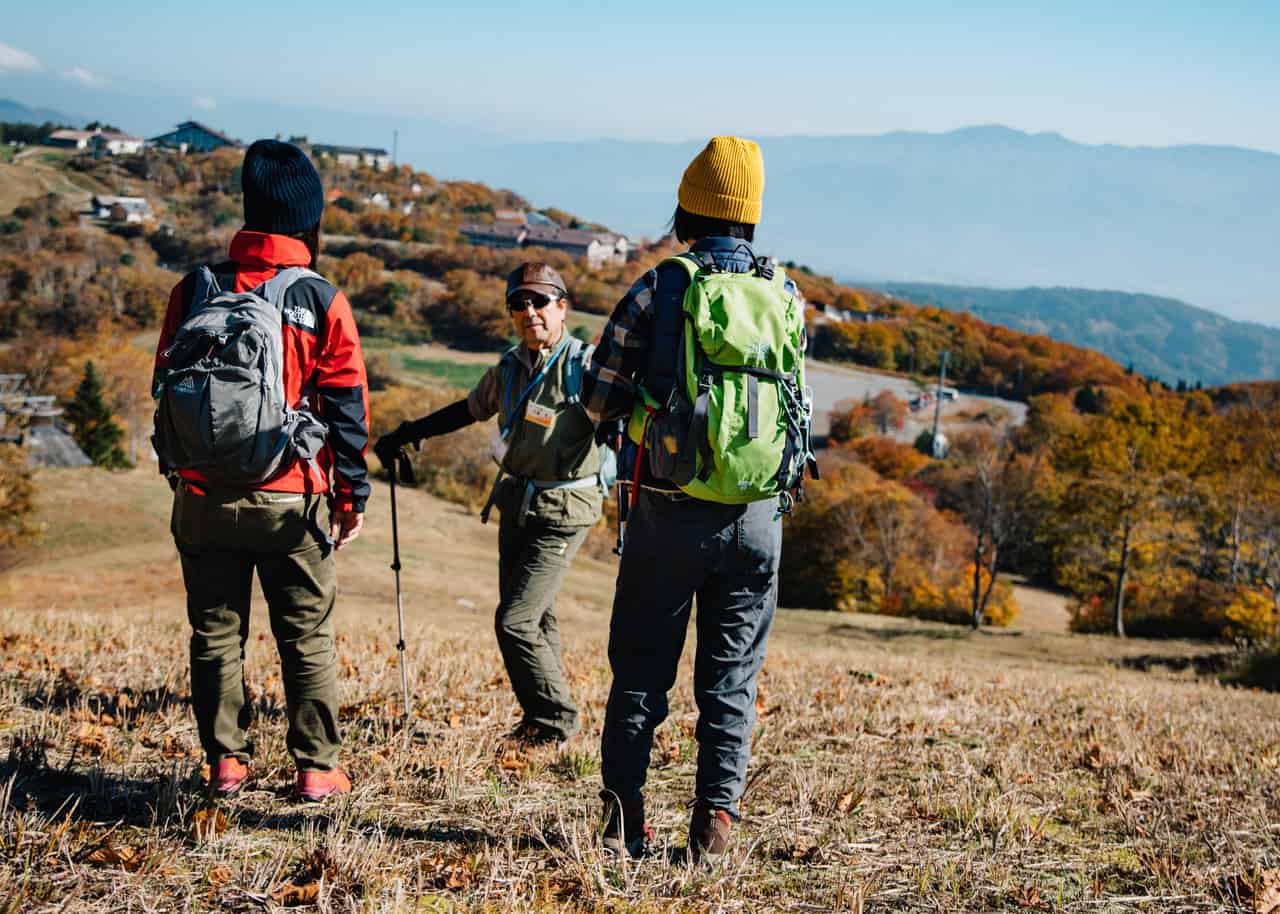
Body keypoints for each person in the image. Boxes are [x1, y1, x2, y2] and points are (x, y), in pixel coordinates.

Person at [580, 136, 813, 860]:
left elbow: (597, 398)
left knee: (642, 673)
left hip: (668, 512)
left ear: (688, 207)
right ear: (751, 216)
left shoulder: (662, 286)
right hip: (758, 518)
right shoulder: (785, 293)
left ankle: (623, 828)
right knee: (732, 677)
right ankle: (714, 829)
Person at [153, 139, 370, 801]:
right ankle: (316, 768)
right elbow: (347, 409)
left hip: (202, 495)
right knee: (304, 633)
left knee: (215, 631)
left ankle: (226, 763)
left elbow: (164, 385)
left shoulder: (196, 288)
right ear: (309, 218)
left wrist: (184, 471)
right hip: (290, 497)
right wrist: (350, 494)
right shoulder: (318, 297)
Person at [375, 263, 613, 746]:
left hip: (566, 510)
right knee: (535, 616)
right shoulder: (507, 369)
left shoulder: (585, 368)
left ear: (562, 307)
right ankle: (539, 717)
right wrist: (408, 433)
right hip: (518, 504)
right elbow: (466, 411)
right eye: (519, 304)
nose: (530, 312)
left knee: (515, 621)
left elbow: (629, 418)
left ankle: (556, 719)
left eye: (540, 302)